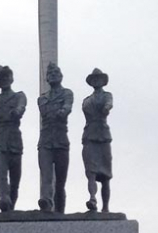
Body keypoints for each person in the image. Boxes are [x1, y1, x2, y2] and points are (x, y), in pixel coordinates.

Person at [36, 62, 74, 213]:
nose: (52, 76)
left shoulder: (67, 93)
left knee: (60, 180)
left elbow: (67, 107)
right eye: (49, 74)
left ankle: (60, 209)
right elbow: (45, 112)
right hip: (45, 140)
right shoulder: (42, 98)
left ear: (61, 76)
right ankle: (46, 201)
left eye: (55, 73)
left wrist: (63, 110)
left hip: (61, 140)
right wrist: (58, 111)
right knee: (46, 176)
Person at [0, 65, 26, 212]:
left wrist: (17, 112)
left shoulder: (19, 96)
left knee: (15, 179)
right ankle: (4, 199)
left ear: (11, 78)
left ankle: (11, 207)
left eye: (7, 76)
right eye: (1, 77)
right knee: (2, 174)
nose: (5, 79)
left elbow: (21, 108)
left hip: (15, 139)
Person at [82, 67, 113, 213]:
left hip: (103, 136)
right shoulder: (87, 101)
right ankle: (92, 197)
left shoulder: (107, 96)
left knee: (106, 175)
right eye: (94, 79)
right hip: (90, 136)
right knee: (91, 172)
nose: (97, 81)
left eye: (99, 79)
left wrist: (106, 108)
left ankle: (105, 206)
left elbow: (109, 104)